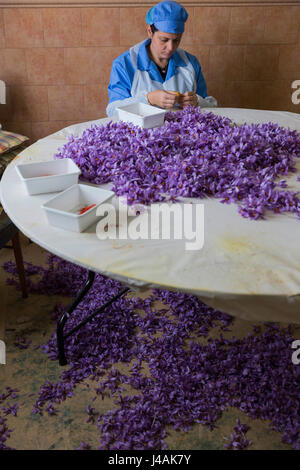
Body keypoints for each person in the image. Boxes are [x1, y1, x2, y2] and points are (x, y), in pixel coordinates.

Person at [106, 1, 217, 117]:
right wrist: (148, 99)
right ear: (150, 32)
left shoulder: (191, 63)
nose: (170, 48)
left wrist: (197, 102)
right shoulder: (124, 64)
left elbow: (211, 107)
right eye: (164, 40)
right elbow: (112, 111)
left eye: (176, 40)